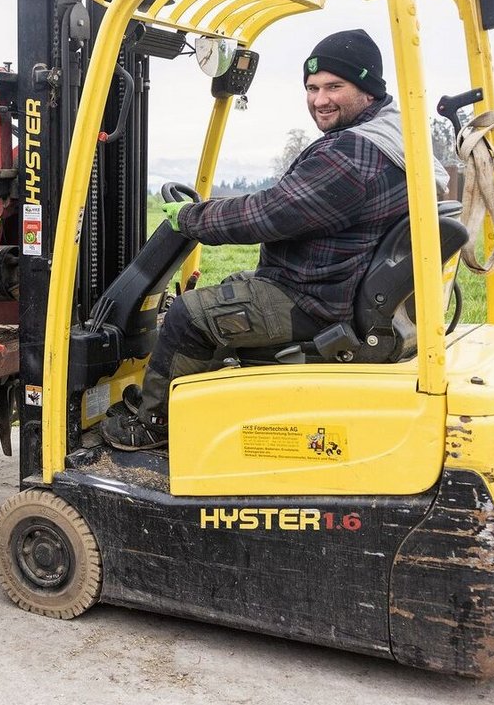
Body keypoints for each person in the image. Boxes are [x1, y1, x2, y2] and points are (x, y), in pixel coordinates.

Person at [100, 28, 448, 451]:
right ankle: (194, 403)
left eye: (335, 86)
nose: (320, 99)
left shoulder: (353, 156)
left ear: (369, 91)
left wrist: (192, 218)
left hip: (316, 301)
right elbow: (290, 202)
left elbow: (270, 213)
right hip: (335, 283)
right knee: (229, 290)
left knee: (188, 316)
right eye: (312, 87)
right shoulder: (394, 139)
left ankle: (153, 425)